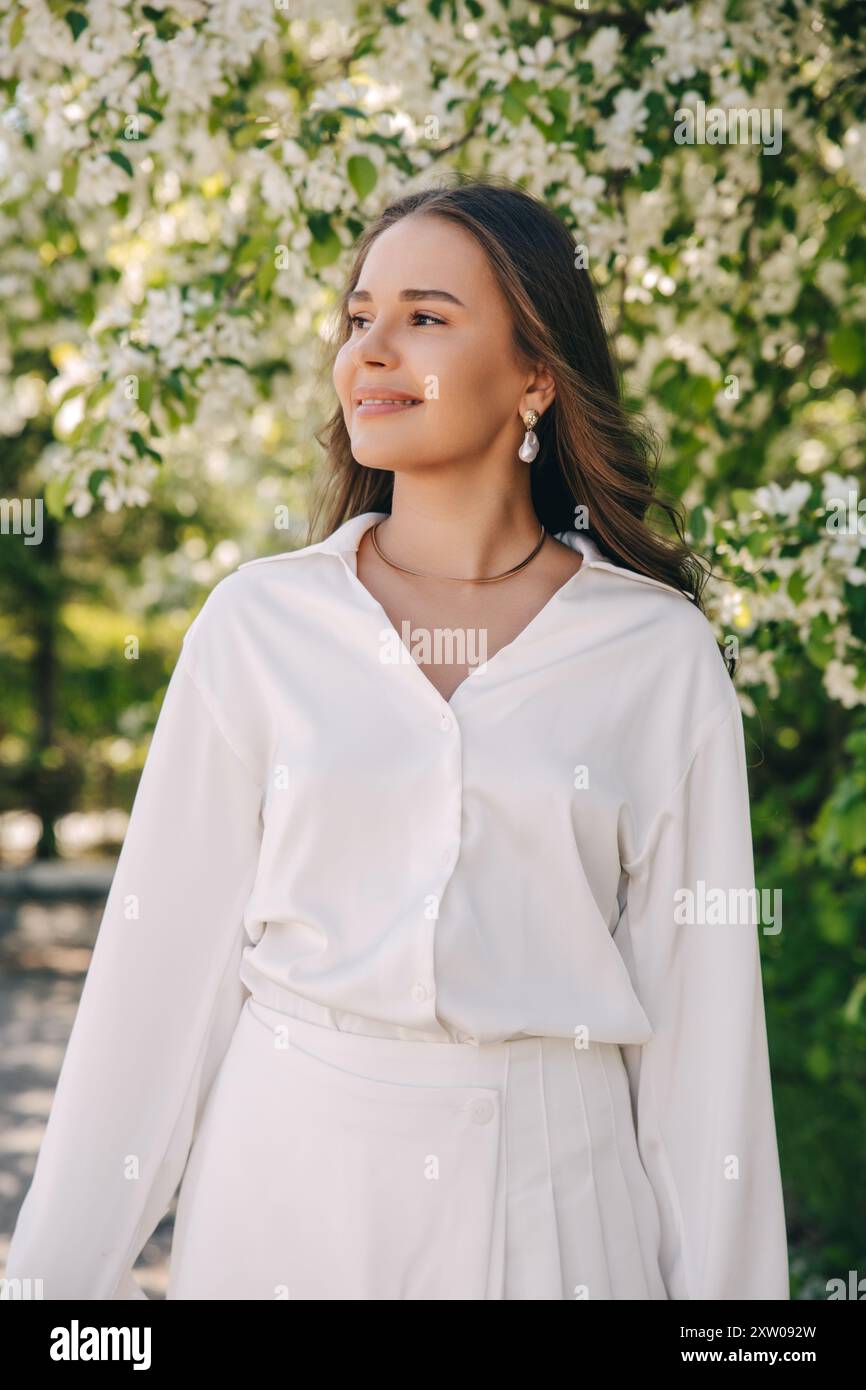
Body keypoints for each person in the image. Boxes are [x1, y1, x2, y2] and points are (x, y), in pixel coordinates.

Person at [4, 175, 789, 1301]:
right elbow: (152, 995)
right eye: (356, 317)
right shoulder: (258, 625)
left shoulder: (655, 657)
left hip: (558, 1223)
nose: (369, 349)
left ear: (534, 376)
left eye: (423, 315)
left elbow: (704, 1056)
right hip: (281, 1208)